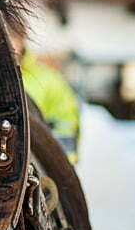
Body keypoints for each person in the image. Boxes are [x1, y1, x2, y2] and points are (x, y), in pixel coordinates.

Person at [10, 32, 82, 164]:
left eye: (12, 37)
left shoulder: (49, 81)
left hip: (39, 167)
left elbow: (65, 125)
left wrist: (61, 165)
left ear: (22, 41)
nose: (7, 44)